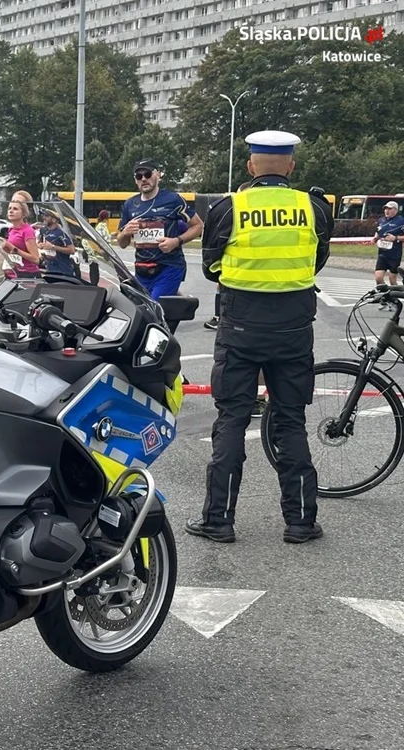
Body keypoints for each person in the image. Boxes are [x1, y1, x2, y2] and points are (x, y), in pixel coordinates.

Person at [185, 130, 332, 545]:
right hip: (293, 331)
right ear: (291, 166)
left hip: (240, 328)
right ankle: (300, 521)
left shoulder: (228, 207)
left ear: (251, 166)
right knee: (290, 422)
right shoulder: (314, 208)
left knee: (231, 419)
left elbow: (212, 267)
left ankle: (219, 519)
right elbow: (316, 261)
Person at [117, 158, 204, 300]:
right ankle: (179, 304)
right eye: (139, 176)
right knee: (140, 308)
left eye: (148, 174)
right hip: (142, 268)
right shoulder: (130, 204)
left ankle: (175, 303)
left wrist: (176, 241)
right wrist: (126, 232)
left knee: (155, 308)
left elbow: (198, 226)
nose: (144, 179)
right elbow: (122, 243)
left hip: (169, 265)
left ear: (157, 175)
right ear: (135, 180)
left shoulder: (173, 199)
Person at [0, 198, 40, 279]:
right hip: (13, 273)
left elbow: (35, 259)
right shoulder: (11, 229)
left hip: (28, 274)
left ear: (23, 214)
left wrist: (14, 248)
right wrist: (5, 249)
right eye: (9, 208)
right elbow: (13, 252)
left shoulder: (27, 231)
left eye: (15, 209)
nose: (11, 211)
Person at [38, 207, 80, 279]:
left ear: (54, 220)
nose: (44, 218)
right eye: (44, 216)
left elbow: (71, 250)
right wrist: (40, 245)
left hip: (63, 270)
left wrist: (53, 247)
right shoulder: (44, 231)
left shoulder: (61, 233)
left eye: (47, 216)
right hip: (50, 268)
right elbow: (40, 241)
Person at [372, 200, 404, 289]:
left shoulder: (401, 221)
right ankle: (386, 295)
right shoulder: (381, 220)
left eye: (389, 209)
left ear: (395, 210)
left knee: (392, 279)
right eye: (385, 209)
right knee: (378, 278)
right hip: (382, 254)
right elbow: (378, 231)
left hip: (395, 254)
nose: (387, 211)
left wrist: (396, 238)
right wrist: (375, 237)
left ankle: (398, 295)